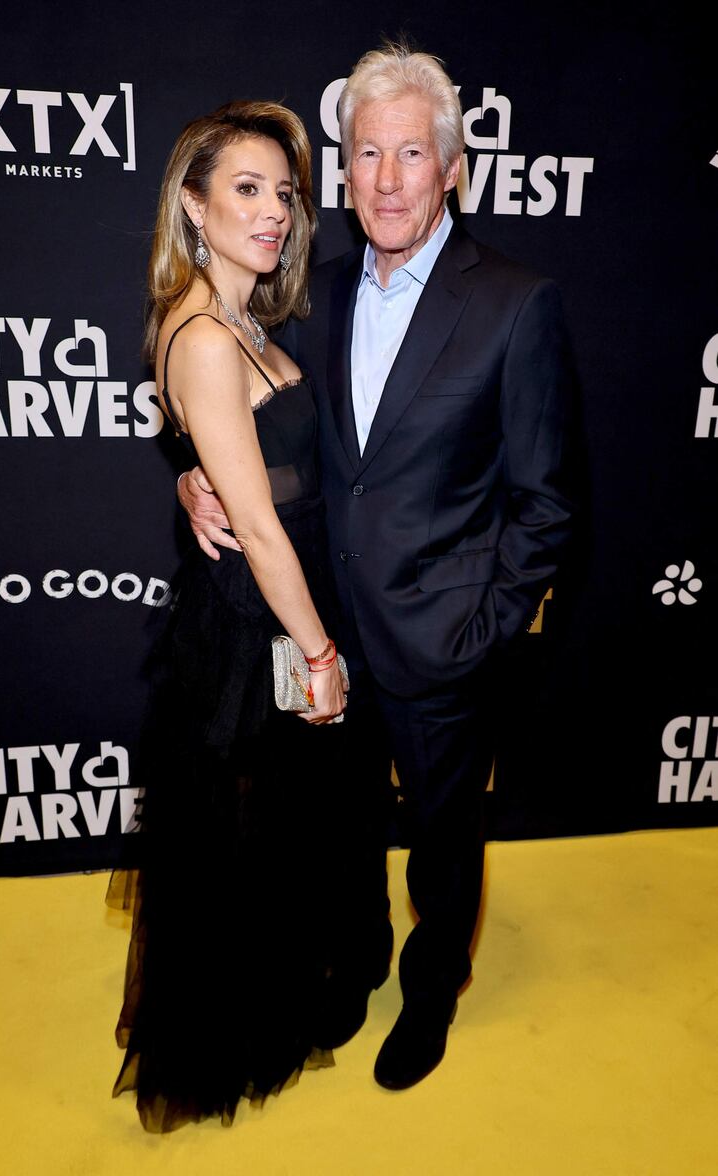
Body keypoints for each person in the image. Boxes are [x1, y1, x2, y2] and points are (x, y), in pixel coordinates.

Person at [179, 43, 578, 1092]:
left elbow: (547, 505)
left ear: (451, 166)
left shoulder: (513, 303)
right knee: (341, 826)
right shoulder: (308, 289)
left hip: (442, 642)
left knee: (443, 842)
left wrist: (478, 628)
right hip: (321, 631)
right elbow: (253, 419)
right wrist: (195, 478)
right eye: (367, 154)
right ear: (344, 172)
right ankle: (354, 963)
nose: (389, 178)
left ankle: (430, 984)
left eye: (411, 153)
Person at [109, 101, 354, 1132]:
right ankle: (232, 1035)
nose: (270, 211)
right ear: (194, 207)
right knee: (242, 830)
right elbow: (256, 525)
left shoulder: (241, 320)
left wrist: (188, 479)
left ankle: (281, 995)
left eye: (283, 193)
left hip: (270, 603)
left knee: (271, 831)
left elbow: (238, 469)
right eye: (244, 190)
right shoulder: (206, 334)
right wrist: (320, 651)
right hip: (260, 618)